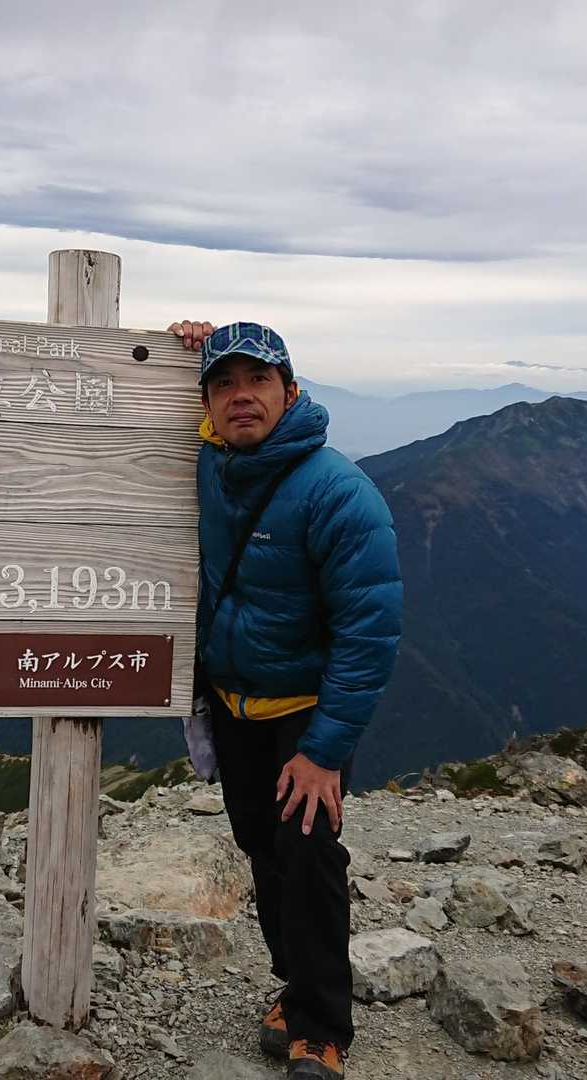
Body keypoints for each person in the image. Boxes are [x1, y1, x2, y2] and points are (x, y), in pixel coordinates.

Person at [168, 319, 402, 1080]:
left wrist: (323, 752)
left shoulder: (338, 492)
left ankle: (322, 1028)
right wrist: (181, 340)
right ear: (208, 404)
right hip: (234, 706)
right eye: (224, 384)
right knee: (261, 850)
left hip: (303, 714)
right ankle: (293, 985)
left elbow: (369, 632)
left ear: (291, 392)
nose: (242, 396)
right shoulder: (213, 463)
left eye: (258, 381)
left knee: (307, 858)